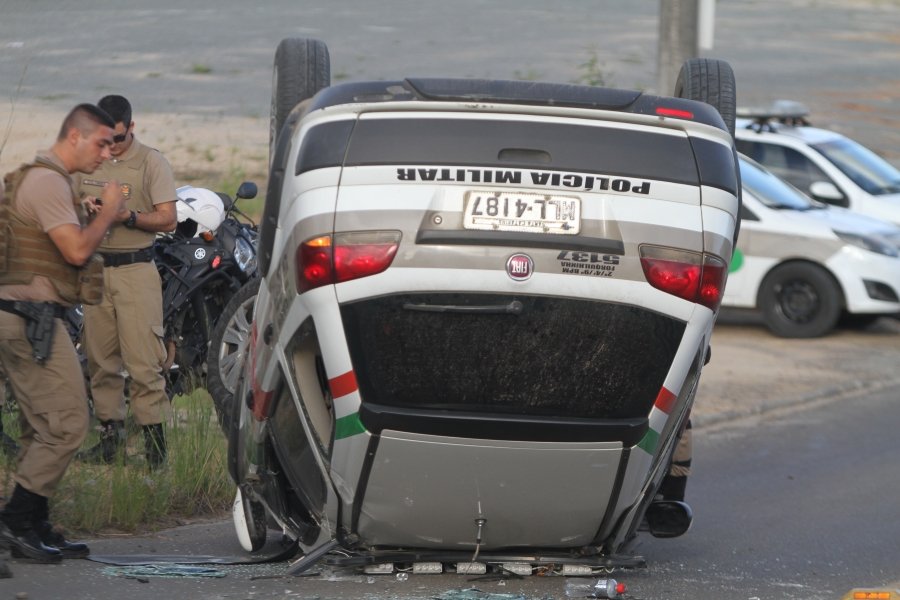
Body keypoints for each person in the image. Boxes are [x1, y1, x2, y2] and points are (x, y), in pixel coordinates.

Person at [0, 103, 127, 562]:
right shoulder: (49, 181)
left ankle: (34, 524)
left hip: (24, 317)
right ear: (74, 136)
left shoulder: (47, 179)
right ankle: (16, 520)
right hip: (28, 320)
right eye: (100, 143)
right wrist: (109, 213)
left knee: (43, 426)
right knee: (70, 423)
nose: (106, 154)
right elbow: (75, 251)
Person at [75, 95, 177, 469]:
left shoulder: (151, 162)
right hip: (97, 270)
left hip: (136, 271)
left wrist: (127, 216)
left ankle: (155, 452)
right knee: (101, 362)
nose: (111, 146)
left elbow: (168, 219)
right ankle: (109, 442)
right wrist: (84, 206)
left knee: (144, 365)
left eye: (118, 137)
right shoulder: (89, 156)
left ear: (131, 128)